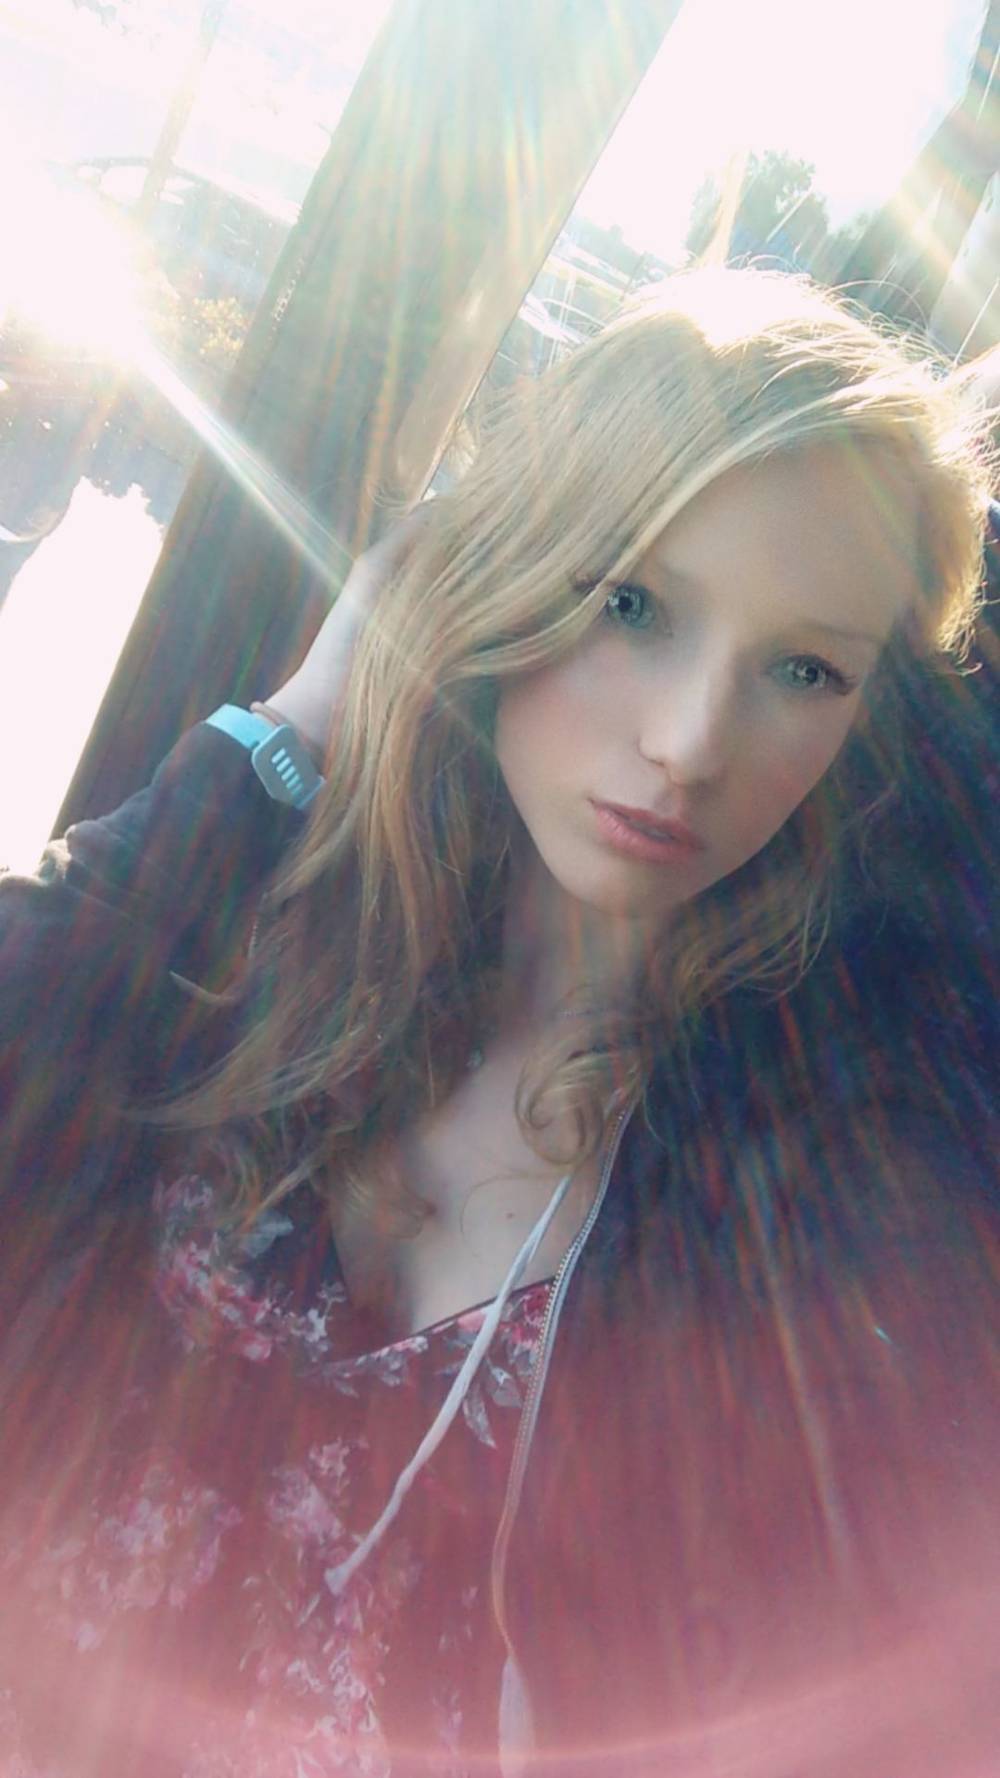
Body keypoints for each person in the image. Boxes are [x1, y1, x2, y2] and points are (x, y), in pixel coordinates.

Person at [0, 268, 997, 1777]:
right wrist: (285, 737)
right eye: (633, 605)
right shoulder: (246, 930)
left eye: (805, 669)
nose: (690, 743)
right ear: (515, 572)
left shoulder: (786, 1176)